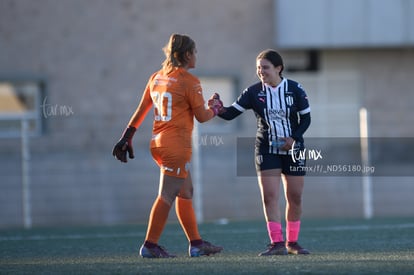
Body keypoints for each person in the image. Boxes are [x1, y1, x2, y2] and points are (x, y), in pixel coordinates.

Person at [112, 33, 223, 258]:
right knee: (166, 195)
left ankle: (196, 243)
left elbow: (141, 109)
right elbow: (202, 116)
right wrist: (216, 108)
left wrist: (127, 136)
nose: (196, 56)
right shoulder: (190, 81)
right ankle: (150, 245)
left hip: (158, 144)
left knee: (186, 191)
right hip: (176, 147)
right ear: (186, 54)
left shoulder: (156, 77)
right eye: (194, 52)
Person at [210, 49, 311, 256]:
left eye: (265, 67)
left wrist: (294, 139)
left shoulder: (295, 89)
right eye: (258, 68)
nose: (261, 72)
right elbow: (230, 114)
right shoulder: (253, 92)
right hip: (266, 148)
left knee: (295, 196)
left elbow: (306, 119)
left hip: (294, 149)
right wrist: (218, 109)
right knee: (270, 196)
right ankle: (276, 243)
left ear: (278, 68)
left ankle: (293, 242)